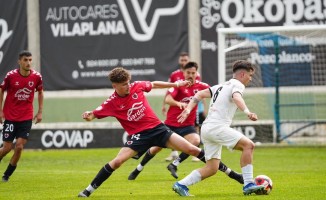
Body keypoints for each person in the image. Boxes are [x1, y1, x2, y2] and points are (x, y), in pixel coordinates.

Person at [78, 67, 206, 197]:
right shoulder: (111, 103)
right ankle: (87, 191)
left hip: (158, 129)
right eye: (124, 84)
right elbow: (93, 115)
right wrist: (88, 115)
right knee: (117, 162)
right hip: (138, 136)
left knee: (192, 148)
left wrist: (176, 84)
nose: (128, 86)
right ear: (114, 86)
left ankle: (224, 170)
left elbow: (154, 84)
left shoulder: (137, 86)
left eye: (128, 82)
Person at [127, 62, 243, 184]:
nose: (191, 75)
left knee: (196, 141)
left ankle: (174, 164)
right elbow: (167, 99)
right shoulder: (179, 85)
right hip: (171, 124)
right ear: (183, 73)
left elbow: (217, 92)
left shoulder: (201, 86)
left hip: (187, 125)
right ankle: (138, 169)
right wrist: (178, 103)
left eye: (193, 73)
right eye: (188, 73)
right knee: (156, 149)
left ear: (196, 73)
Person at [172, 60, 265, 196]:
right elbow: (236, 97)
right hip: (217, 127)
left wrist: (188, 109)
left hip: (207, 129)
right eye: (250, 76)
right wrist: (247, 112)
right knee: (248, 145)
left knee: (211, 168)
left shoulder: (221, 85)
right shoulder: (238, 85)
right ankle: (249, 184)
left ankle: (181, 185)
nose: (250, 79)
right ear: (243, 74)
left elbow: (198, 95)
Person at [0, 50, 43, 182]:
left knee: (19, 146)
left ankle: (6, 175)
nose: (28, 63)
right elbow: (1, 90)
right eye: (25, 60)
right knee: (6, 148)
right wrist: (0, 111)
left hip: (26, 117)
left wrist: (40, 111)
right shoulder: (11, 76)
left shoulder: (36, 77)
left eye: (30, 60)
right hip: (11, 117)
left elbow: (40, 92)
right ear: (19, 61)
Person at [162, 52, 201, 162]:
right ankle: (174, 153)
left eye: (185, 60)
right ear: (179, 61)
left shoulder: (195, 74)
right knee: (171, 131)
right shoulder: (174, 75)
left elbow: (200, 90)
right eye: (182, 60)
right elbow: (169, 90)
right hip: (176, 107)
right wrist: (164, 104)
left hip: (192, 107)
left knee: (195, 127)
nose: (184, 62)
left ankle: (194, 152)